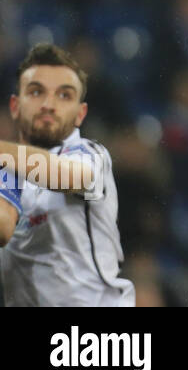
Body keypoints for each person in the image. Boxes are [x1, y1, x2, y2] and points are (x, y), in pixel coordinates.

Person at [0, 44, 135, 306]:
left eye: (64, 95)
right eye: (36, 92)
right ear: (15, 106)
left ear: (80, 114)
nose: (49, 105)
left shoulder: (90, 154)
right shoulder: (8, 170)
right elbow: (3, 230)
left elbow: (67, 176)